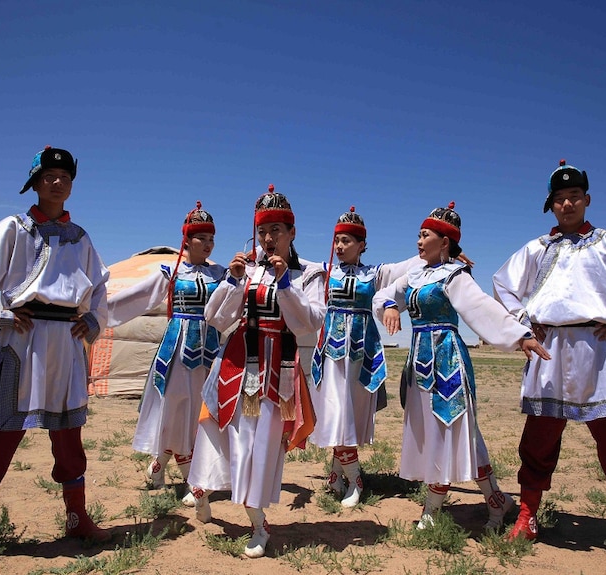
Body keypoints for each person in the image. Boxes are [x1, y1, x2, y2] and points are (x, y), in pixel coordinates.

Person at [492, 160, 606, 566]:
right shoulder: (538, 248)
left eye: (574, 197)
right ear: (551, 206)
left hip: (597, 345)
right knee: (538, 438)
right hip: (550, 346)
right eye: (559, 199)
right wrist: (523, 322)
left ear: (587, 200)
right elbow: (503, 283)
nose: (567, 203)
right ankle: (527, 517)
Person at [0, 146, 111, 573]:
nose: (58, 182)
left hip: (66, 344)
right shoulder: (13, 229)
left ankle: (77, 519)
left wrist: (92, 320)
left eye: (65, 176)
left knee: (69, 435)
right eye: (49, 175)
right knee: (1, 431)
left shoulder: (81, 237)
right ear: (36, 182)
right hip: (22, 338)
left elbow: (100, 287)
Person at [374, 202, 550, 531]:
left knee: (454, 432)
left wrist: (519, 335)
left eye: (424, 235)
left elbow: (481, 307)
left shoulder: (455, 276)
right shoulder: (414, 276)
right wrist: (389, 306)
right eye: (418, 235)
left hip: (447, 364)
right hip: (419, 366)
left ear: (444, 242)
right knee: (438, 434)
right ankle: (496, 501)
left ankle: (435, 509)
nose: (418, 241)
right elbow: (385, 293)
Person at [188, 185, 324, 558]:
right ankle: (204, 488)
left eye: (276, 230)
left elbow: (308, 323)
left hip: (275, 375)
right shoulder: (247, 268)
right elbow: (215, 318)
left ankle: (258, 522)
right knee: (223, 433)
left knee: (258, 445)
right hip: (236, 367)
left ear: (292, 233)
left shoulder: (308, 274)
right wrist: (232, 281)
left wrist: (284, 284)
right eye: (263, 231)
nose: (268, 238)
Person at [106, 202, 225, 505]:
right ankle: (192, 478)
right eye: (202, 238)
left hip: (208, 352)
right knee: (177, 408)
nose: (208, 244)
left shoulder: (220, 273)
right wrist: (98, 311)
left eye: (211, 239)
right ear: (187, 239)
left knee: (199, 410)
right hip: (177, 350)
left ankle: (160, 465)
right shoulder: (170, 271)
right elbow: (137, 297)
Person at [311, 207, 419, 507]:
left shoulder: (376, 273)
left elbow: (410, 266)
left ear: (361, 245)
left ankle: (336, 474)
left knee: (348, 417)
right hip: (331, 355)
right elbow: (293, 263)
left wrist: (445, 253)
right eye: (337, 241)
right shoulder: (324, 271)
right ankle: (356, 478)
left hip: (362, 355)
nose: (340, 246)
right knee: (335, 414)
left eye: (346, 241)